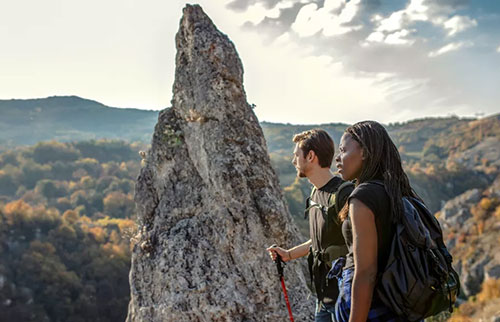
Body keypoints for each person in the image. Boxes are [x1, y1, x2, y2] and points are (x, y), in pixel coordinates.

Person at [332, 120, 422, 322]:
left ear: (364, 152)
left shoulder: (363, 196)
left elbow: (366, 272)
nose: (337, 158)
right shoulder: (396, 191)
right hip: (399, 302)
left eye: (343, 150)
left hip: (370, 306)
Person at [267, 129, 354, 322]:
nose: (293, 160)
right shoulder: (315, 194)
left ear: (311, 156)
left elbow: (360, 247)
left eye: (296, 155)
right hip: (323, 297)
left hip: (345, 298)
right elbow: (320, 241)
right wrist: (289, 255)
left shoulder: (343, 194)